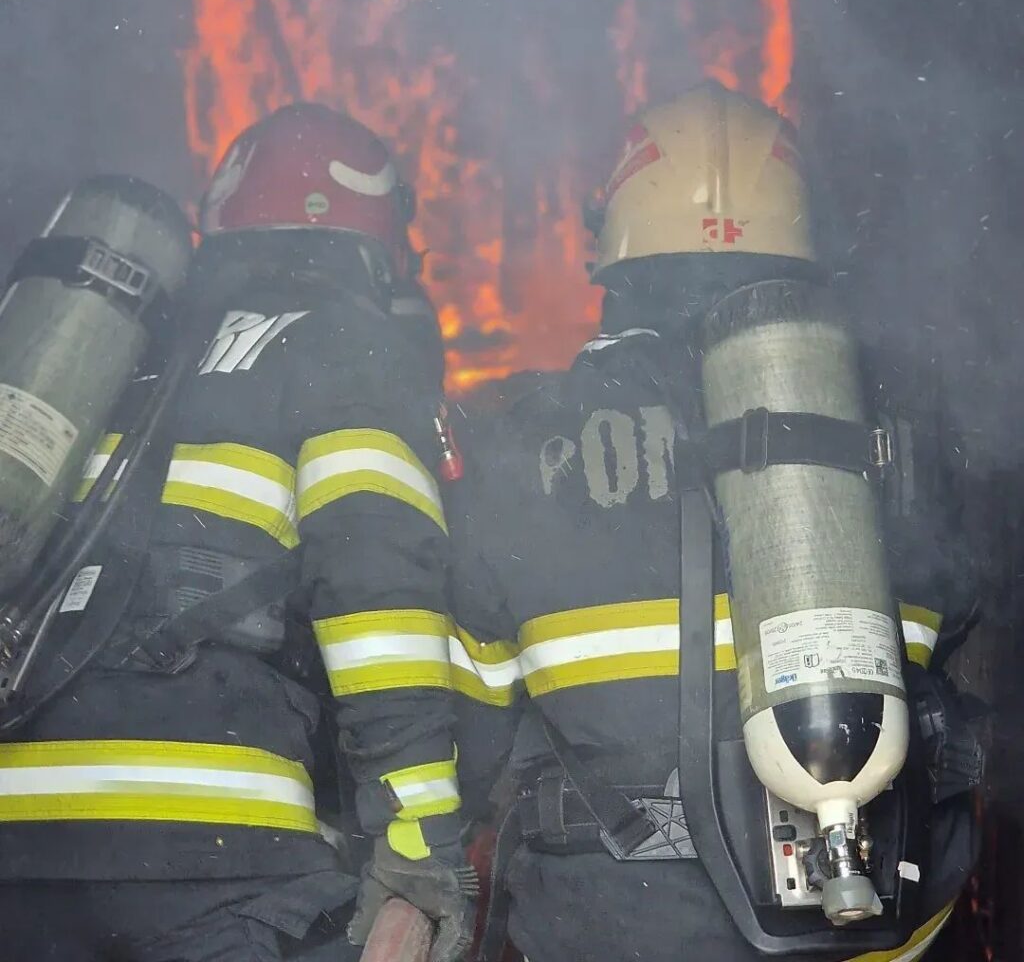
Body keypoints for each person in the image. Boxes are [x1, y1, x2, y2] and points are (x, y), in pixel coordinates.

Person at [446, 82, 979, 962]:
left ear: (613, 254)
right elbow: (954, 617)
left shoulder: (523, 440)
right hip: (869, 923)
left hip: (615, 924)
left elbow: (470, 720)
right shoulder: (894, 436)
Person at [0, 103, 475, 962]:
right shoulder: (344, 345)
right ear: (369, 234)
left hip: (20, 843)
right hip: (206, 847)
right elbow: (380, 594)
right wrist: (421, 842)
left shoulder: (120, 351)